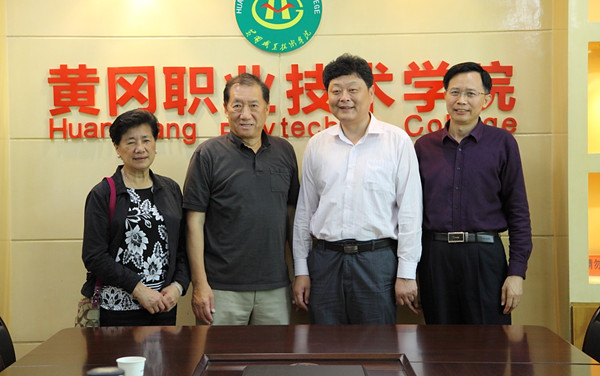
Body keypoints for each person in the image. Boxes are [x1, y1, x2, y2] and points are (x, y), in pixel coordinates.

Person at [292, 53, 423, 324]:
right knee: (325, 344)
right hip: (325, 261)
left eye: (353, 90)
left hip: (377, 261)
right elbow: (305, 212)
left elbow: (410, 212)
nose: (344, 98)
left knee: (377, 344)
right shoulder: (318, 144)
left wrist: (407, 272)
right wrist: (301, 270)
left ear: (371, 93)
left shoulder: (396, 141)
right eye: (336, 91)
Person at [414, 61, 533, 325]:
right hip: (435, 257)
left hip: (485, 256)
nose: (461, 101)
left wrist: (516, 272)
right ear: (445, 95)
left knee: (490, 343)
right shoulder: (424, 147)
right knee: (439, 343)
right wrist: (412, 272)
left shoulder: (502, 143)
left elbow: (518, 212)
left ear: (486, 100)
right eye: (455, 92)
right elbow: (413, 215)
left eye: (471, 93)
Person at [183, 73, 300, 325]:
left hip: (275, 287)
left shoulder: (284, 151)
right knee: (219, 352)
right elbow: (194, 223)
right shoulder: (207, 154)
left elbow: (292, 217)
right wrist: (200, 285)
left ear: (267, 109)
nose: (245, 114)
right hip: (221, 289)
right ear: (225, 109)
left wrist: (298, 273)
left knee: (275, 351)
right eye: (237, 105)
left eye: (253, 105)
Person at [81, 109, 190, 326]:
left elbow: (183, 248)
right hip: (117, 310)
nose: (140, 148)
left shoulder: (170, 189)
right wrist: (138, 289)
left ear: (155, 144)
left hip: (163, 306)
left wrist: (178, 286)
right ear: (117, 148)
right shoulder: (103, 194)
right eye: (130, 142)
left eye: (146, 140)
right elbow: (94, 256)